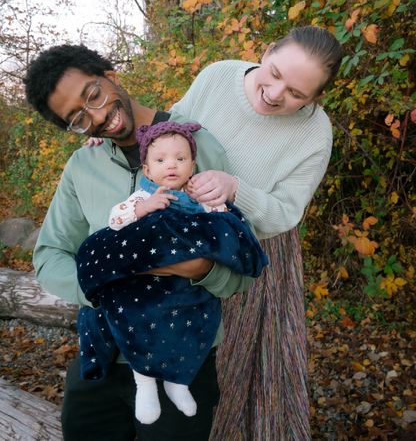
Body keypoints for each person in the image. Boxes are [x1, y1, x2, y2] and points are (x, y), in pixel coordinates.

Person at [24, 44, 255, 441]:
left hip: (182, 355)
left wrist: (201, 270)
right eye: (77, 118)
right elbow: (49, 256)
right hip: (100, 353)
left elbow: (239, 270)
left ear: (110, 76)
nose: (97, 117)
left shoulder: (198, 145)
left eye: (93, 95)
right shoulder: (83, 164)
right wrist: (107, 287)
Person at [168, 26, 343, 441]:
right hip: (179, 234)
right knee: (168, 347)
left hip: (254, 252)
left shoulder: (315, 133)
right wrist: (115, 142)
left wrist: (236, 189)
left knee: (234, 364)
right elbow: (169, 131)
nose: (277, 93)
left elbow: (287, 211)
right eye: (275, 72)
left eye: (297, 94)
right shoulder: (217, 76)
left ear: (315, 99)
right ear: (266, 52)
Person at [76, 121, 267, 426]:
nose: (172, 165)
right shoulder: (143, 197)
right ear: (148, 170)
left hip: (186, 287)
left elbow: (223, 225)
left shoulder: (199, 198)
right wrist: (143, 209)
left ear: (192, 165)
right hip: (145, 287)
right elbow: (115, 221)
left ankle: (178, 384)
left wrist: (218, 217)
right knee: (139, 324)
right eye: (161, 160)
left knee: (193, 329)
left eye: (180, 159)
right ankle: (146, 387)